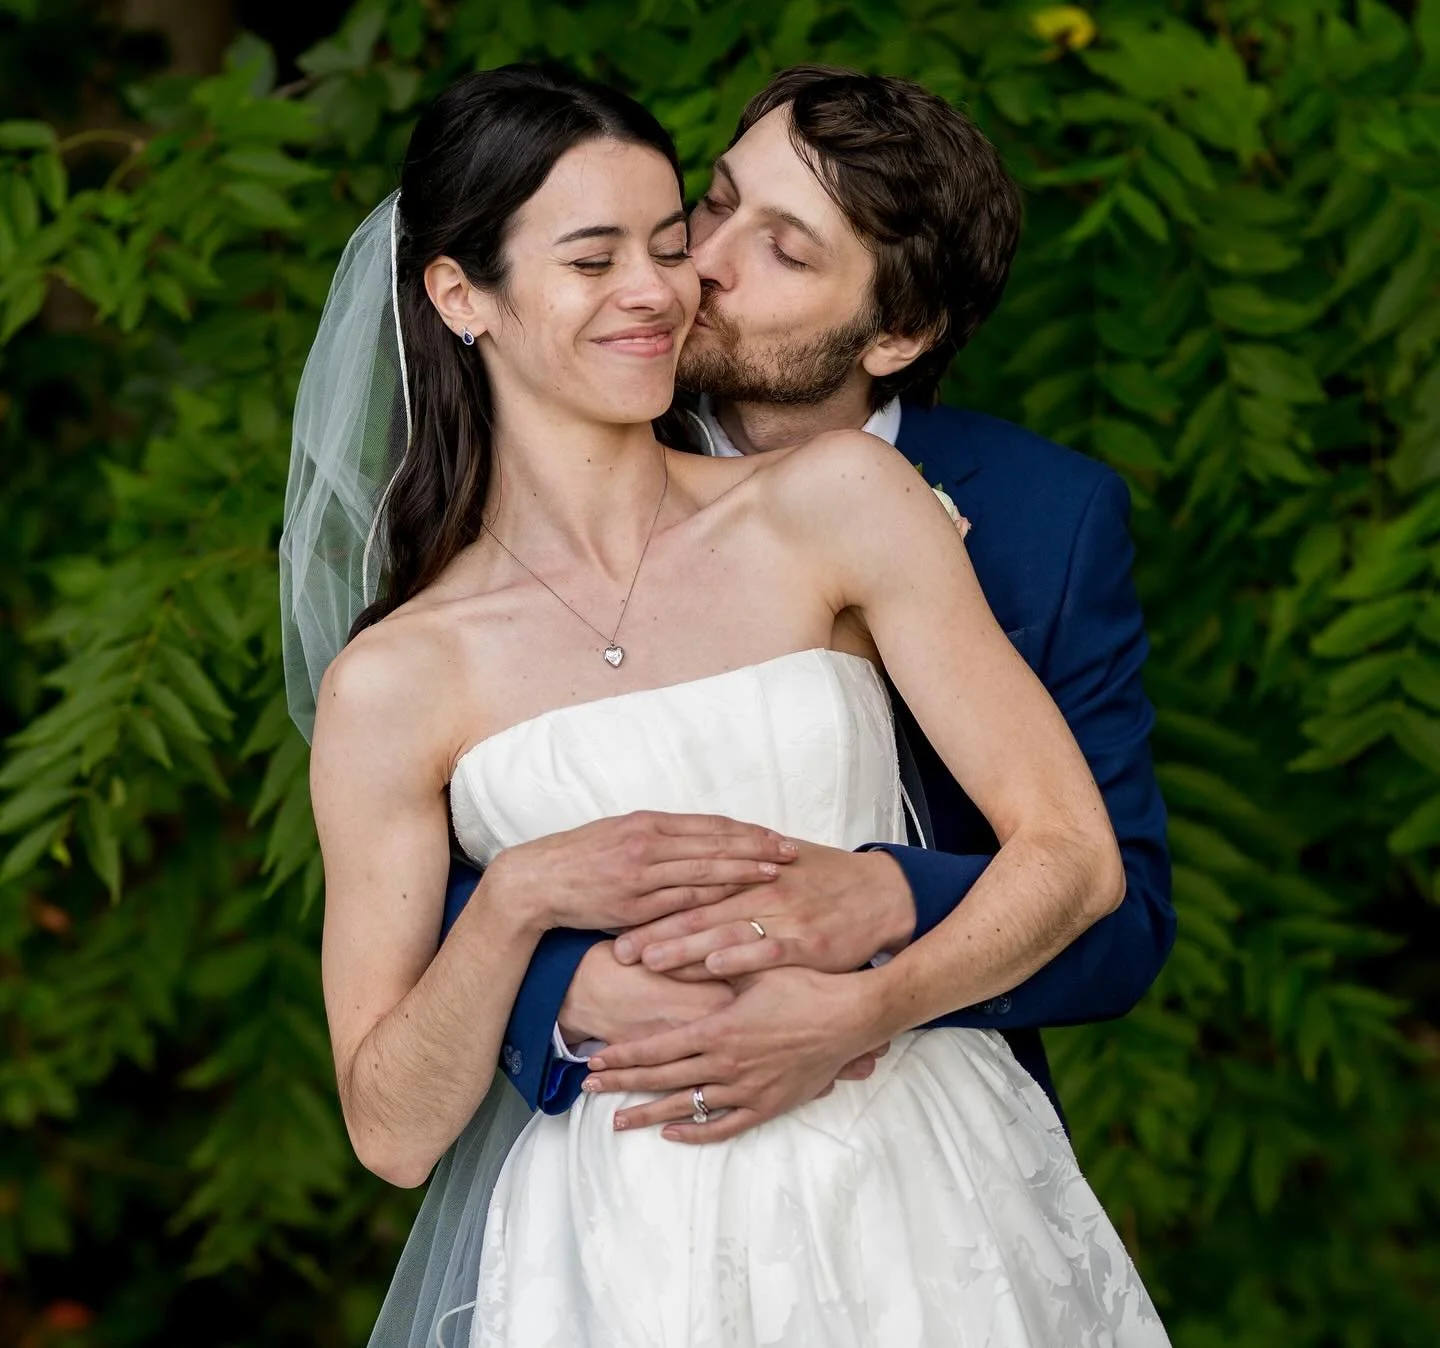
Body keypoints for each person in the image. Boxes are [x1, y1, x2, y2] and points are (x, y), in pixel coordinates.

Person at [282, 64, 1170, 1346]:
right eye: (599, 257)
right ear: (460, 295)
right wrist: (522, 901)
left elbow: (1091, 871)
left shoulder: (850, 499)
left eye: (663, 244)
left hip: (909, 1184)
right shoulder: (395, 681)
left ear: (893, 334)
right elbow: (391, 1128)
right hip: (618, 1242)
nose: (672, 282)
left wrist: (871, 985)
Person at [461, 65, 1174, 1141]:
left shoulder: (1046, 519)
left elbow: (1125, 924)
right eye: (714, 202)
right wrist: (561, 979)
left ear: (898, 334)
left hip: (915, 1126)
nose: (703, 262)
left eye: (785, 251)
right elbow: (433, 847)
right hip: (624, 1123)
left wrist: (890, 904)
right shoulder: (541, 470)